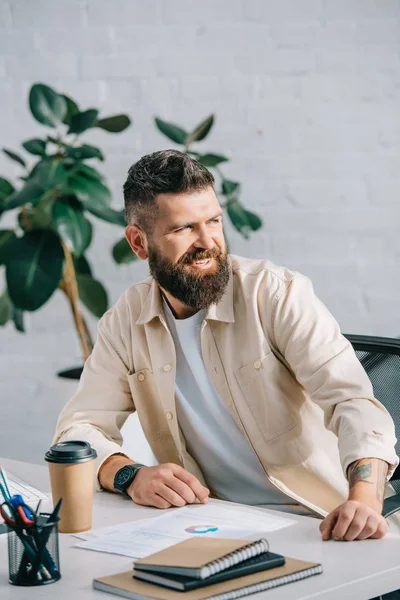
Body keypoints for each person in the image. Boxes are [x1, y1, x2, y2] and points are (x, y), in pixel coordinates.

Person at [53, 149, 399, 543]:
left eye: (214, 221)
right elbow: (76, 432)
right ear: (138, 242)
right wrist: (130, 475)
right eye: (183, 229)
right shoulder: (125, 320)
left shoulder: (276, 294)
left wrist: (365, 500)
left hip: (319, 519)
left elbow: (352, 403)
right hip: (211, 523)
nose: (208, 242)